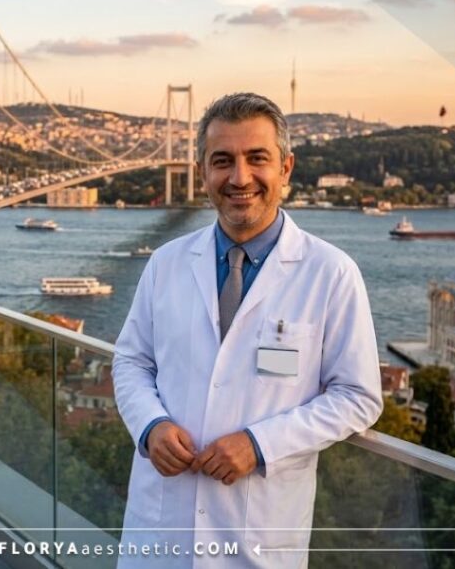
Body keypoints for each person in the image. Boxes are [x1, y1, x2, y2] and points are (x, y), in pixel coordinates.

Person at [112, 92, 383, 568]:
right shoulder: (165, 264)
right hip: (161, 528)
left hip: (257, 534)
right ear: (202, 173)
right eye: (222, 161)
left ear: (286, 168)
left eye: (257, 159)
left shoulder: (331, 273)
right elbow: (132, 360)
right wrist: (150, 426)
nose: (239, 178)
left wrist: (261, 445)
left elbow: (358, 396)